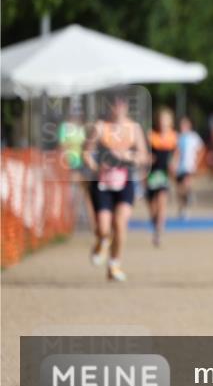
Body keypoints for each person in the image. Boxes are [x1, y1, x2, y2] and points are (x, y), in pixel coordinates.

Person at [82, 91, 149, 282]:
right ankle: (101, 242)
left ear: (127, 106)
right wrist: (96, 167)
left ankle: (114, 265)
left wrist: (129, 157)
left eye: (122, 104)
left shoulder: (134, 128)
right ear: (109, 106)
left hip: (125, 182)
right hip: (102, 183)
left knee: (120, 224)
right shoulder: (100, 127)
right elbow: (86, 153)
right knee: (103, 228)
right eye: (114, 104)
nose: (118, 108)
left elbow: (144, 157)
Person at [146, 108, 178, 247]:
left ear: (170, 122)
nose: (163, 122)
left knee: (162, 200)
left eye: (166, 120)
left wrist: (174, 163)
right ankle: (156, 222)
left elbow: (177, 153)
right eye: (161, 119)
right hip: (151, 174)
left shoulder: (173, 137)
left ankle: (159, 231)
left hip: (164, 175)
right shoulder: (151, 136)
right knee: (153, 206)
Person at [175, 117, 204, 219]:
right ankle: (182, 208)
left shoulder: (194, 137)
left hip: (189, 166)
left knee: (186, 184)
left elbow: (201, 149)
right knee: (179, 190)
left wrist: (197, 162)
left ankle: (189, 197)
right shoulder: (177, 137)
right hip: (179, 167)